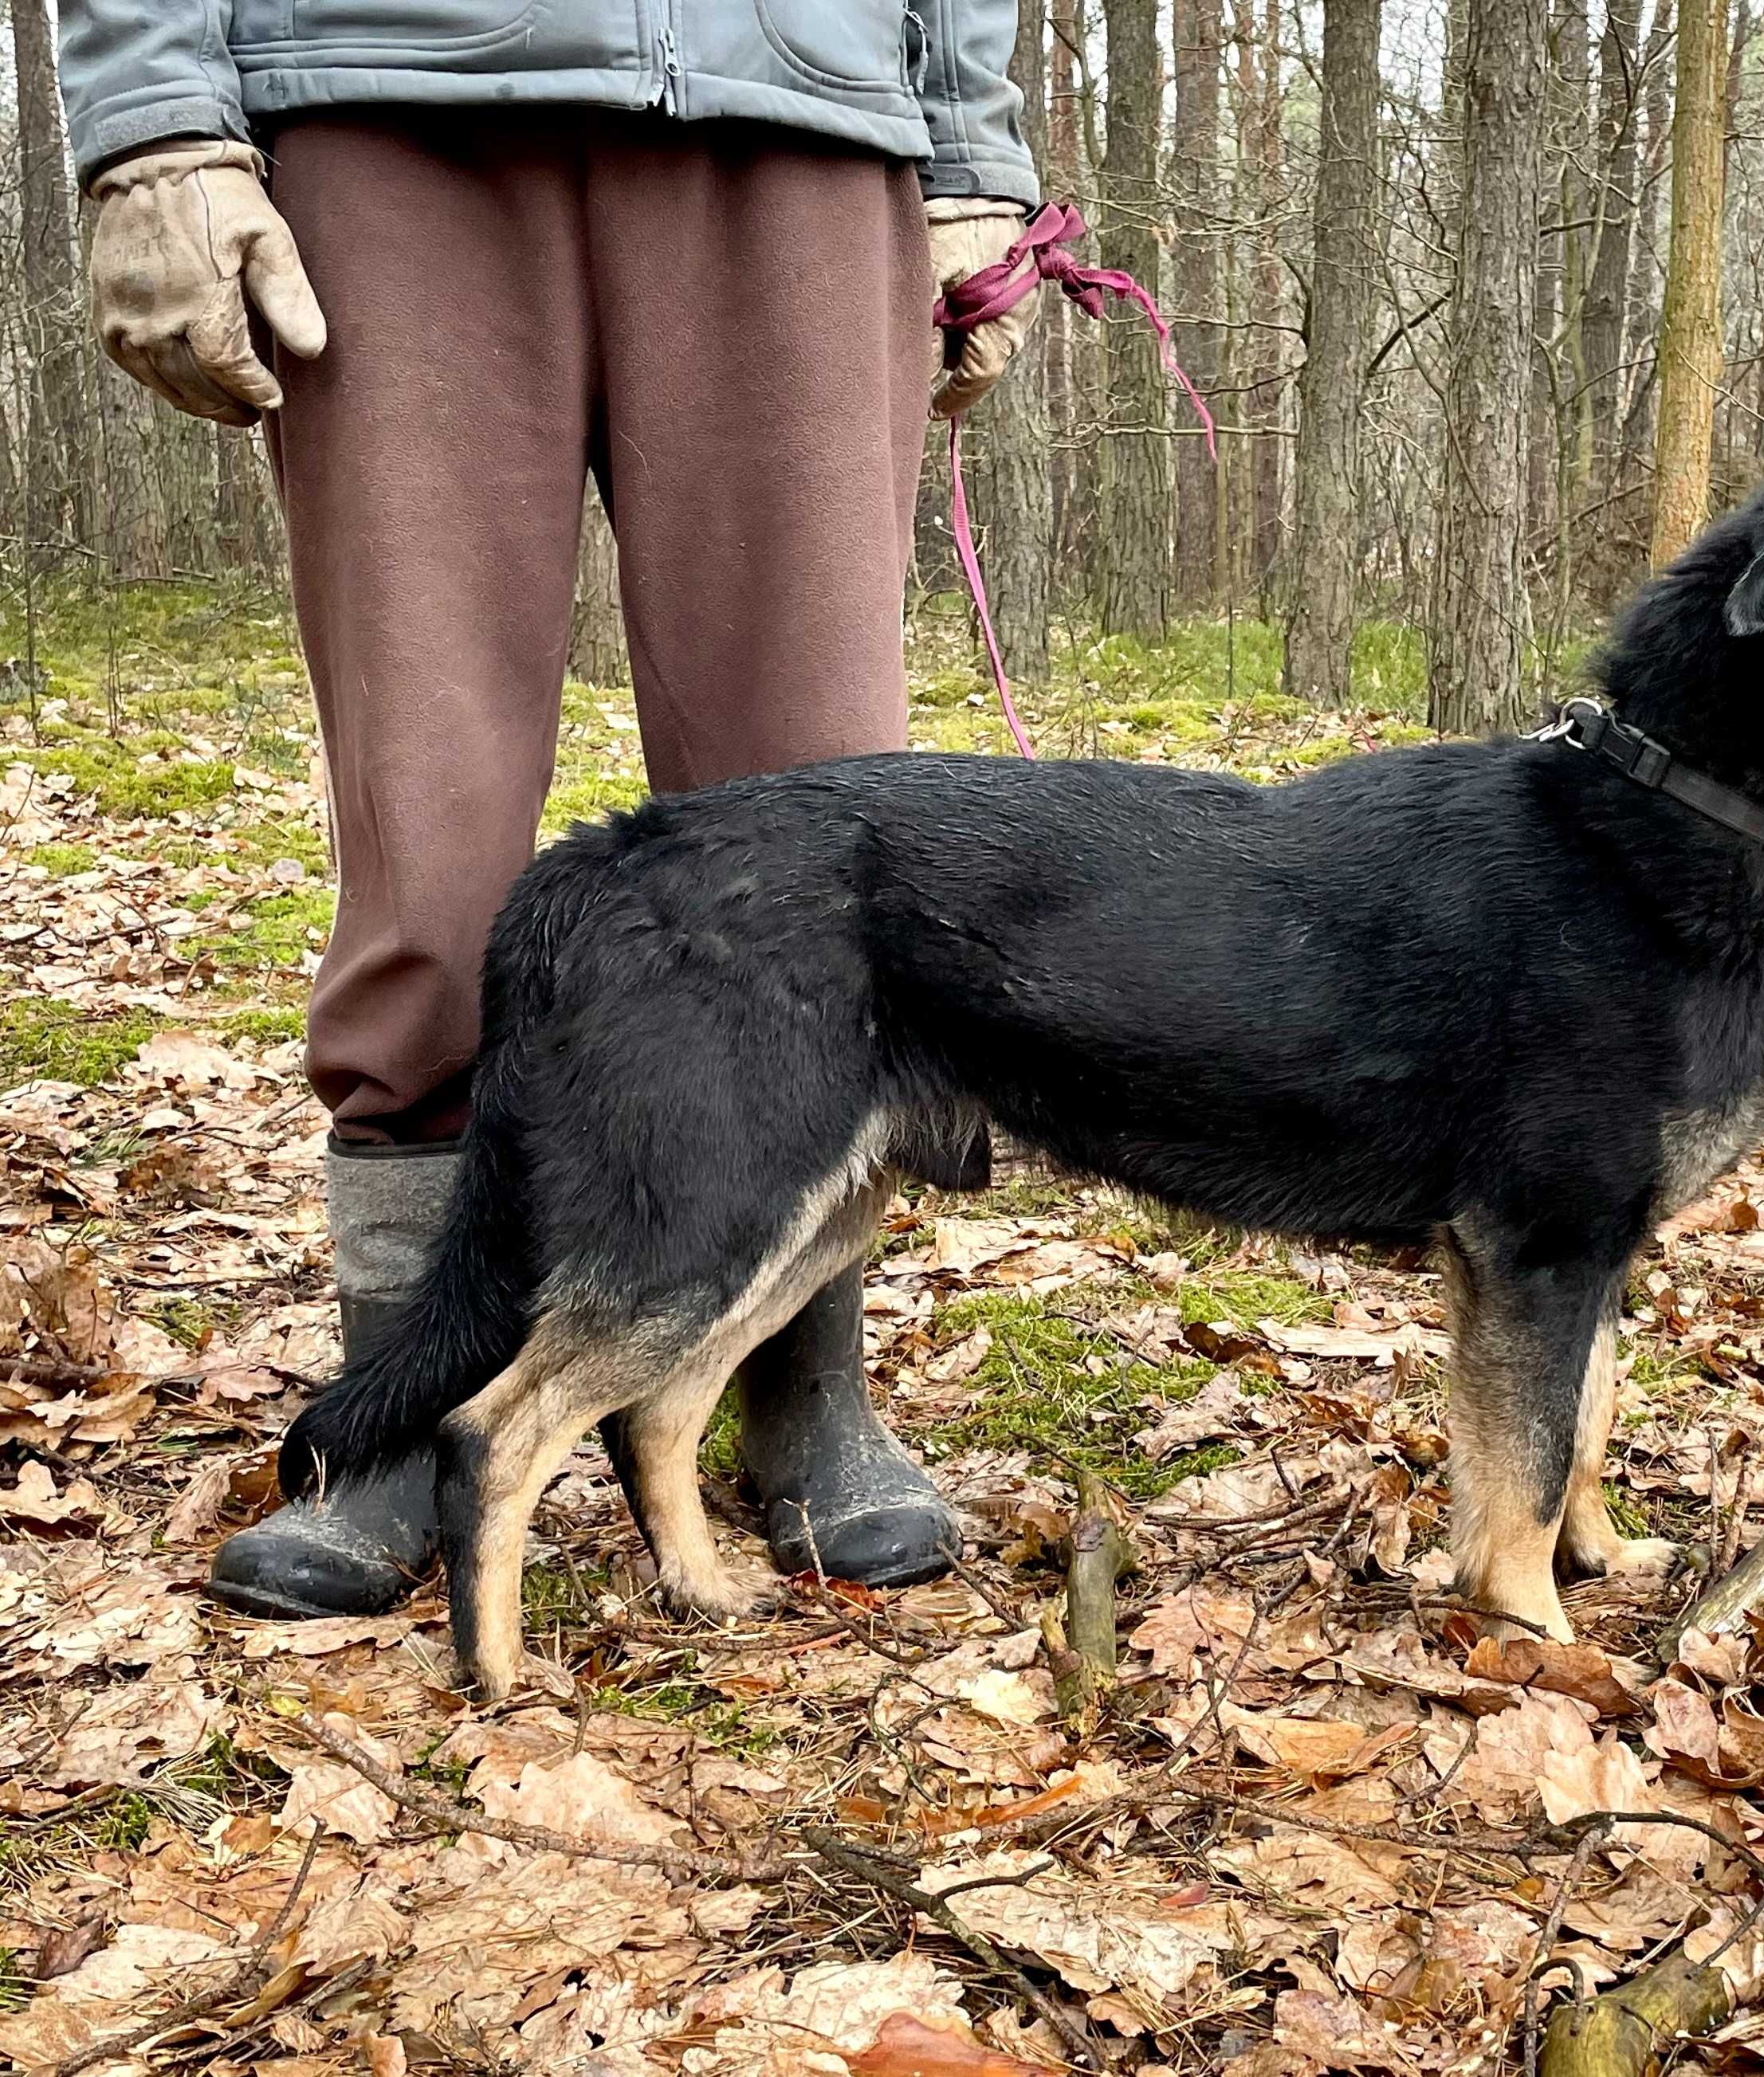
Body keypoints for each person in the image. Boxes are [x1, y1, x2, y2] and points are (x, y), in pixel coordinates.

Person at [60, 0, 1043, 1620]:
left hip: (797, 111)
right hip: (389, 103)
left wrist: (971, 141)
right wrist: (155, 121)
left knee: (810, 838)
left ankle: (798, 1370)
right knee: (427, 845)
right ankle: (408, 1391)